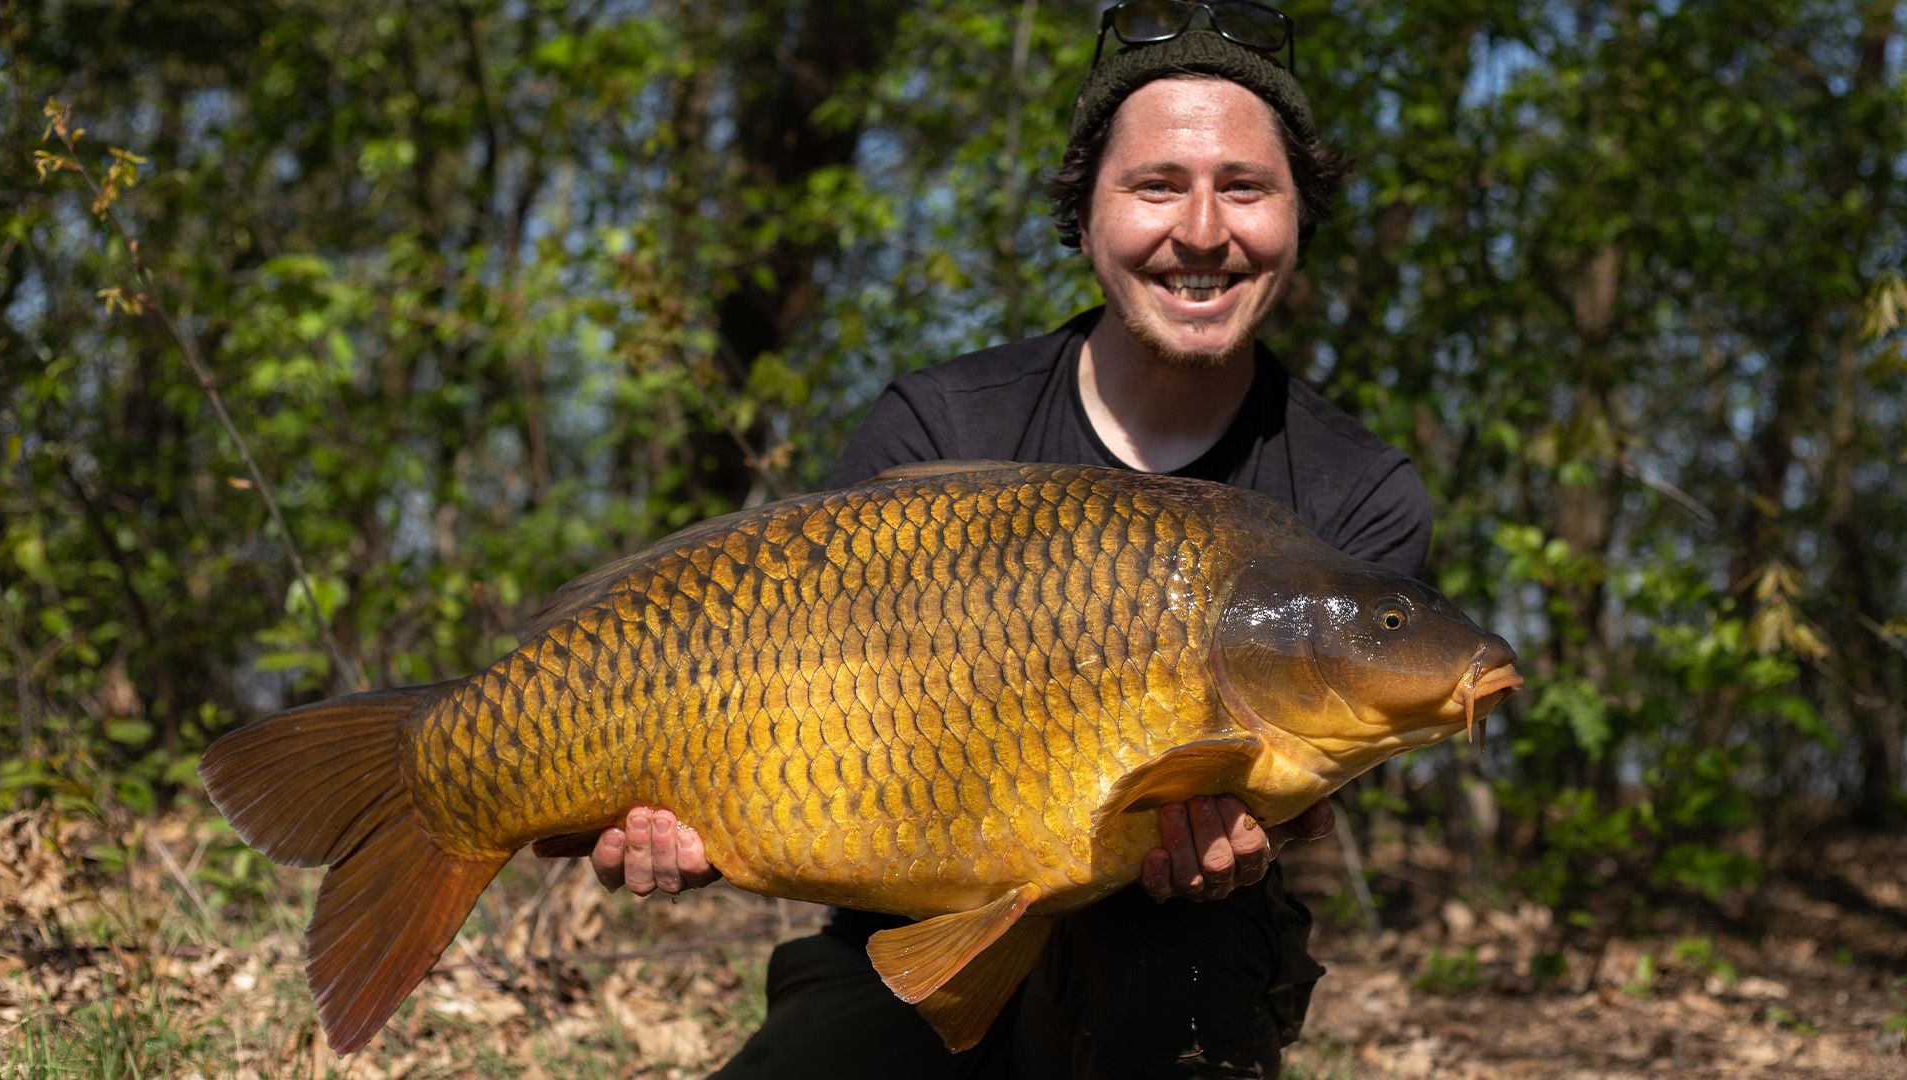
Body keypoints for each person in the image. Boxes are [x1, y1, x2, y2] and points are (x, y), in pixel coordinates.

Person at [592, 6, 1432, 1077]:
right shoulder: (938, 428)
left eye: (1248, 186)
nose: (1206, 229)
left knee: (1177, 955)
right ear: (1084, 217)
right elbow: (804, 719)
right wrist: (704, 815)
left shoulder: (1357, 494)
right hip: (907, 936)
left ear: (1299, 217)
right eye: (1156, 185)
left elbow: (1299, 790)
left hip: (1176, 957)